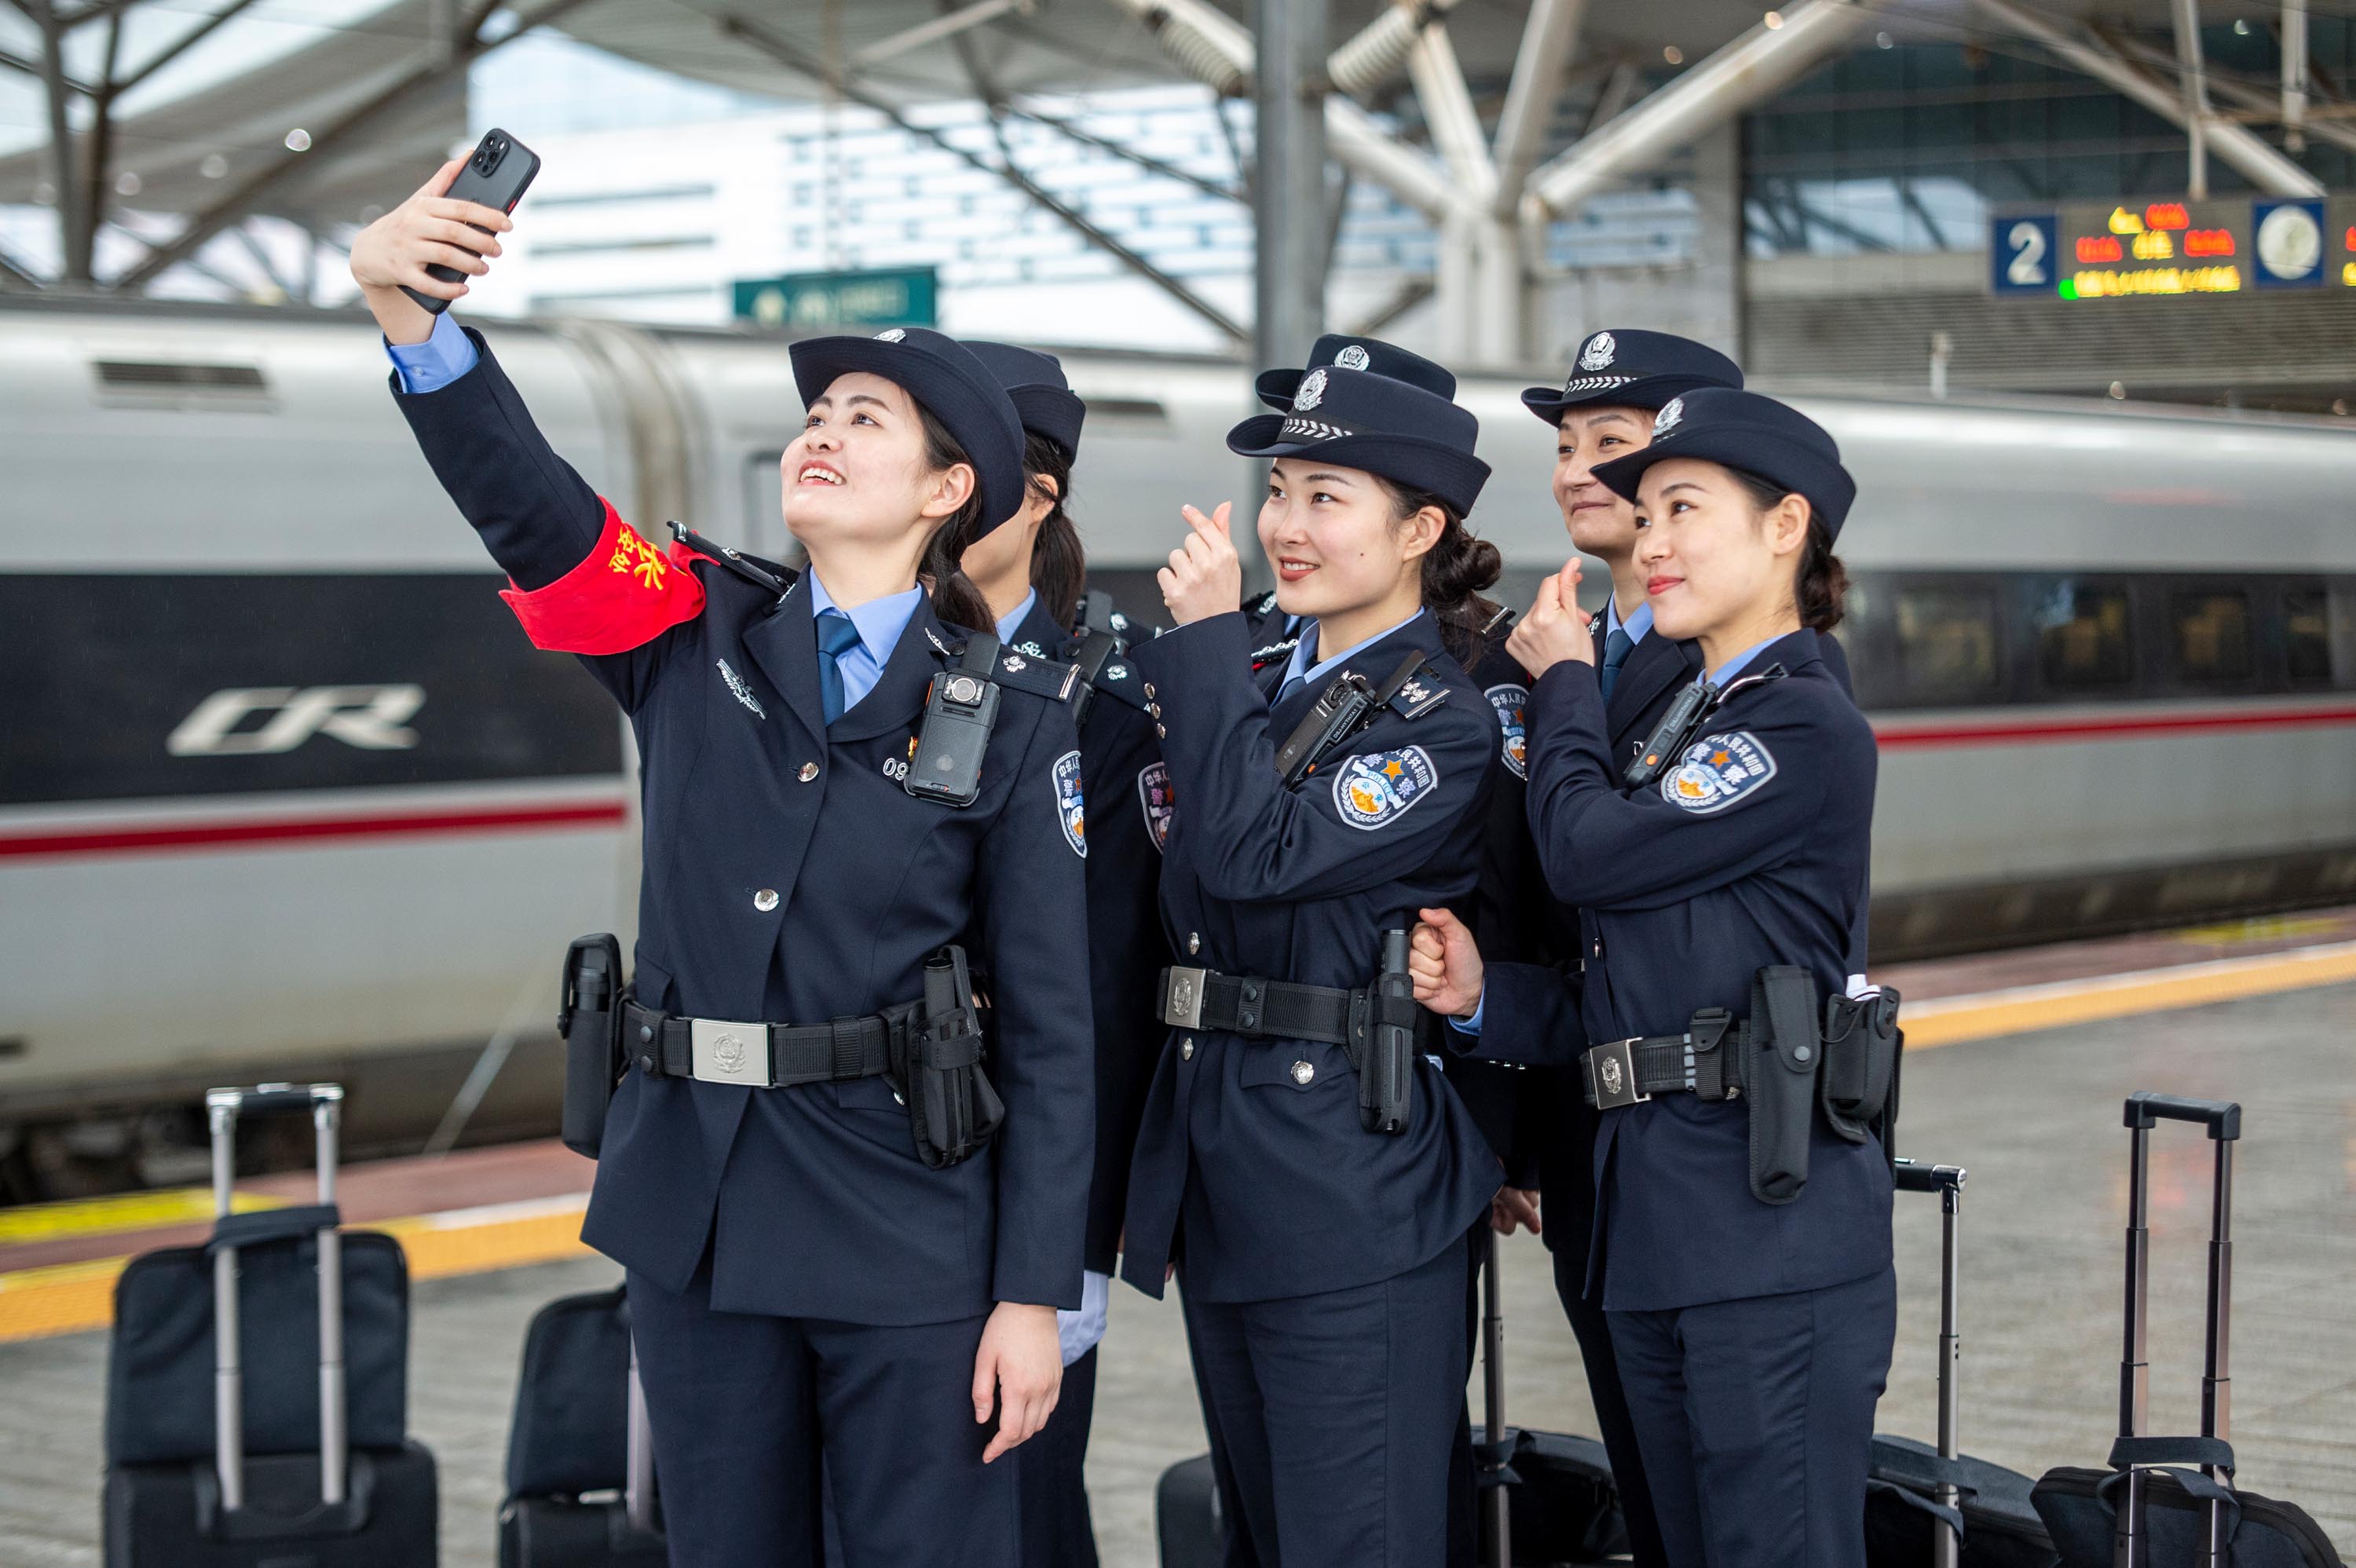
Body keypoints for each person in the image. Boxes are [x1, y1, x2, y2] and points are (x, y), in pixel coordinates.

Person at [348, 162, 1092, 1567]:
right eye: (817, 413)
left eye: (865, 419)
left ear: (949, 488)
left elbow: (1054, 1033)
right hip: (702, 1222)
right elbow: (531, 507)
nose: (823, 432)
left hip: (909, 1232)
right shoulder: (685, 628)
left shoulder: (1016, 720)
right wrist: (412, 317)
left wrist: (1030, 1295)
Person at [1414, 387, 1893, 1567]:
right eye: (1648, 512)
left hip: (1763, 1233)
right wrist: (1485, 998)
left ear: (1787, 527)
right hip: (1655, 1224)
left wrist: (1566, 678)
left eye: (1684, 508)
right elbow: (1623, 993)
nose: (1655, 539)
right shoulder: (1688, 713)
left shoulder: (1799, 724)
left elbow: (1587, 853)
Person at [1119, 353, 1506, 1567]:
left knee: (1357, 1541)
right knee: (1265, 1538)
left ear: (1419, 531)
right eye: (1279, 488)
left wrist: (1200, 640)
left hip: (1351, 1186)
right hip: (1232, 1173)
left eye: (1325, 495)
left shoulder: (1437, 718)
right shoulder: (1258, 682)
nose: (1284, 523)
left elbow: (1248, 854)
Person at [1467, 327, 1751, 1568]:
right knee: (1645, 1472)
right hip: (1588, 1143)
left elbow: (1615, 874)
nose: (1577, 470)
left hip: (1709, 1158)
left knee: (1727, 1498)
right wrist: (1513, 1135)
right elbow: (1518, 904)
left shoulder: (1731, 670)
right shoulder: (1537, 648)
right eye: (1567, 445)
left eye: (1615, 447)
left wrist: (1569, 684)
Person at [958, 341, 1168, 1568]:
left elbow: (1102, 991)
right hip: (873, 1193)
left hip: (1026, 1213)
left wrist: (1075, 1246)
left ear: (1034, 495)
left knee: (1024, 1518)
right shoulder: (866, 659)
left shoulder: (1112, 699)